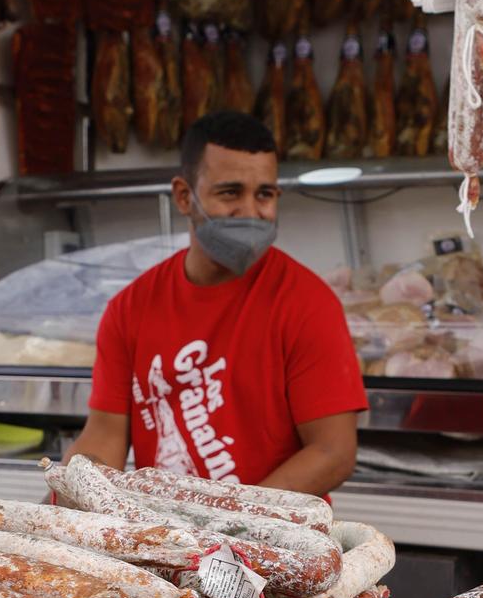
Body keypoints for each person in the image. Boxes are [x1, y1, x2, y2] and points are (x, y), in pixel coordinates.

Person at [68, 109, 366, 495]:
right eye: (230, 193)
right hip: (167, 538)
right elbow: (104, 436)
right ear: (183, 197)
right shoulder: (130, 308)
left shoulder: (308, 303)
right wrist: (60, 499)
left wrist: (228, 528)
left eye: (265, 195)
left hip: (273, 544)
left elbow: (332, 451)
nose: (249, 212)